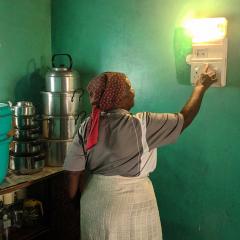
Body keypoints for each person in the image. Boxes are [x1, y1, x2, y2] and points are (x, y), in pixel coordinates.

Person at [63, 65, 216, 240]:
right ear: (118, 97)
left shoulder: (87, 125)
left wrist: (77, 203)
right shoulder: (142, 124)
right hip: (131, 203)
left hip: (94, 202)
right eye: (129, 88)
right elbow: (184, 119)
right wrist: (200, 88)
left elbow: (73, 173)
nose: (133, 91)